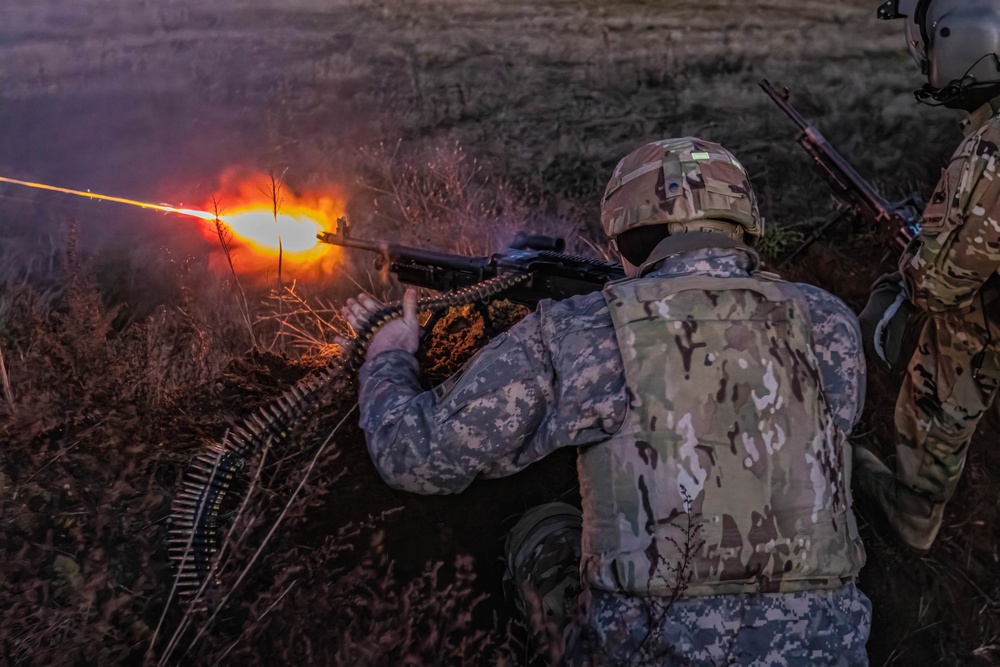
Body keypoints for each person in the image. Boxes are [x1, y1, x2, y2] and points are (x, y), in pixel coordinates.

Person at [343, 137, 870, 665]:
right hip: (828, 649)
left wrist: (388, 356)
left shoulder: (590, 331)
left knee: (543, 533)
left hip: (653, 651)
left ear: (633, 235)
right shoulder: (829, 324)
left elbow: (412, 453)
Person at [856, 0, 1000, 553]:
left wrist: (898, 286)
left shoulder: (990, 148)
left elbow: (941, 286)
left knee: (958, 330)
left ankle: (913, 510)